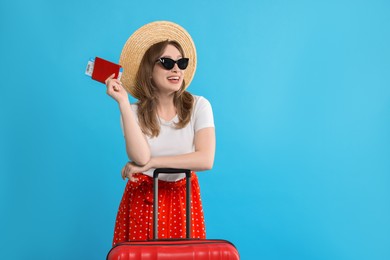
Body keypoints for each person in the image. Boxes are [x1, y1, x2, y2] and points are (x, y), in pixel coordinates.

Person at [104, 21, 215, 246]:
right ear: (149, 70)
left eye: (181, 63)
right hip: (144, 197)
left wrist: (153, 163)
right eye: (167, 63)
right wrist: (124, 103)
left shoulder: (199, 106)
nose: (176, 69)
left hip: (183, 198)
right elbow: (141, 158)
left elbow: (205, 159)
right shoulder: (133, 112)